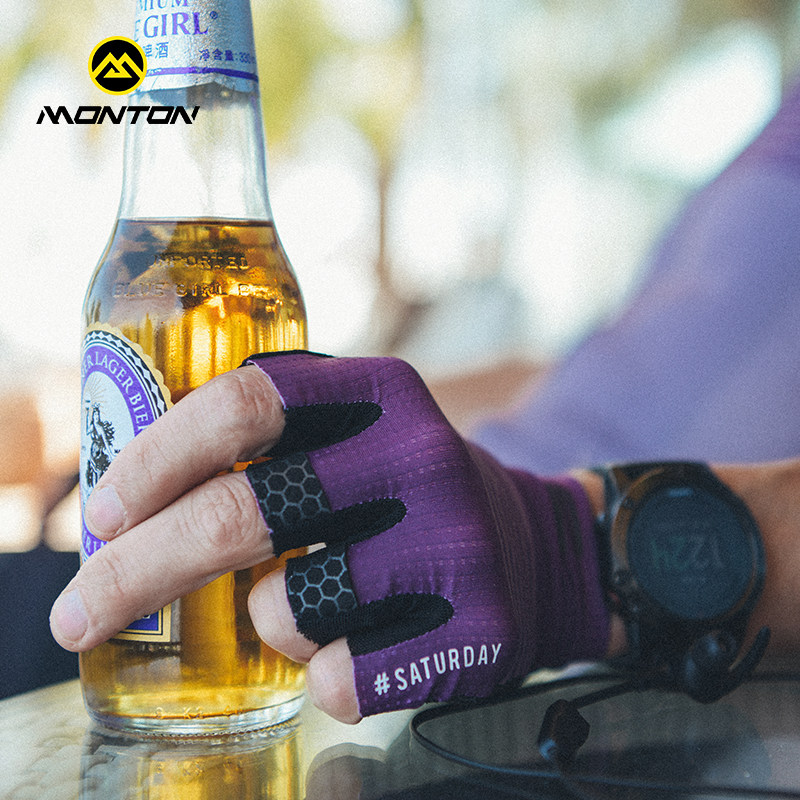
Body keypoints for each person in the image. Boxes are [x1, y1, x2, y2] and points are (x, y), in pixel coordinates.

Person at [50, 76, 800, 722]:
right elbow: (612, 370)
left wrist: (566, 556)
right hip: (384, 548)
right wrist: (363, 430)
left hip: (466, 641)